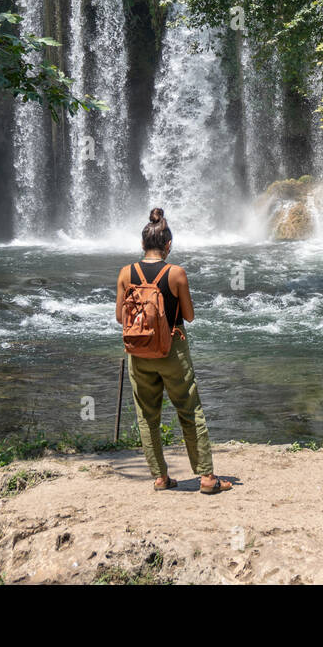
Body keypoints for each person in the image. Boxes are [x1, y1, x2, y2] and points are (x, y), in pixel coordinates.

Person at [115, 208, 232, 494]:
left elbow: (121, 317)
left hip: (139, 351)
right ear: (168, 245)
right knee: (189, 409)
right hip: (172, 349)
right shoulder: (176, 273)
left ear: (143, 245)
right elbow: (189, 316)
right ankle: (206, 478)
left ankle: (160, 477)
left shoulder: (126, 273)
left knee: (147, 414)